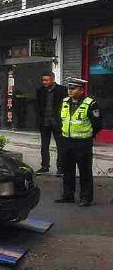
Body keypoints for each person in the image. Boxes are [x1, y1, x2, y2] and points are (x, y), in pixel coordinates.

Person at [55, 78, 102, 207]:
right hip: (66, 141)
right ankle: (68, 194)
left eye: (73, 88)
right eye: (69, 88)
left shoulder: (90, 104)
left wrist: (89, 136)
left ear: (81, 90)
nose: (70, 91)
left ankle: (86, 197)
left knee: (84, 171)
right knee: (67, 169)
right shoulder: (64, 102)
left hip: (83, 142)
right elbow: (60, 119)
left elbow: (97, 124)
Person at [35, 72, 67, 176]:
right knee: (44, 146)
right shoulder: (40, 91)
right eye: (43, 80)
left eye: (46, 80)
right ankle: (45, 166)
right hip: (44, 122)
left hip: (58, 122)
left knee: (61, 146)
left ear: (52, 79)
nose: (44, 82)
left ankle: (61, 168)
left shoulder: (62, 90)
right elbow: (38, 106)